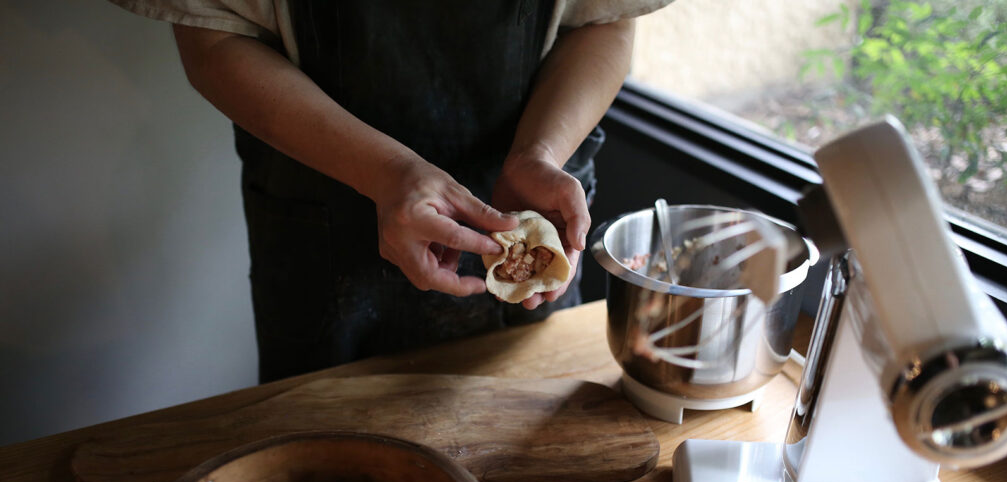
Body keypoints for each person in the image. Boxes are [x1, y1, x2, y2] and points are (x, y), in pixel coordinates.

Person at [109, 0, 672, 382]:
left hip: (527, 195)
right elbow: (213, 41)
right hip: (321, 225)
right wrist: (384, 172)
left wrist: (539, 153)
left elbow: (606, 21)